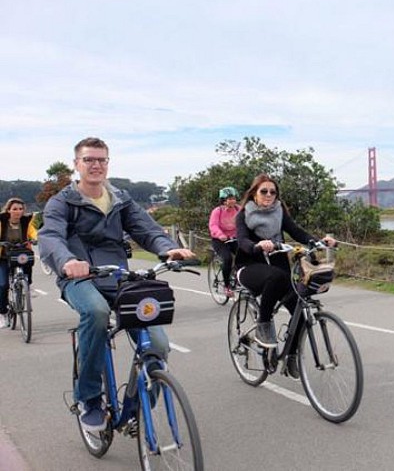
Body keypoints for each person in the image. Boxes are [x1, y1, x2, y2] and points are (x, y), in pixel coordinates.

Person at [38, 137, 195, 432]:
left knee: (158, 345)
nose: (96, 165)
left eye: (101, 159)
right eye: (89, 160)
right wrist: (67, 261)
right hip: (79, 276)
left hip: (118, 276)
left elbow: (146, 230)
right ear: (77, 164)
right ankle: (89, 400)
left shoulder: (121, 199)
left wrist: (167, 247)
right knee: (97, 313)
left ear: (108, 163)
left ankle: (137, 409)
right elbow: (51, 237)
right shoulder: (61, 202)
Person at [235, 173, 336, 379]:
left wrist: (319, 242)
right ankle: (263, 325)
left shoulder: (279, 212)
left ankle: (291, 356)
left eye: (273, 191)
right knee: (275, 276)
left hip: (279, 271)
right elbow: (242, 241)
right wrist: (257, 246)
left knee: (301, 308)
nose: (269, 195)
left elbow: (296, 231)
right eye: (264, 191)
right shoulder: (243, 214)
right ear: (254, 193)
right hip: (250, 266)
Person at [0, 198, 37, 328]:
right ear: (8, 210)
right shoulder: (2, 221)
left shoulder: (26, 221)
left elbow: (32, 232)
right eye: (15, 209)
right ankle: (3, 313)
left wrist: (34, 239)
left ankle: (28, 285)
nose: (18, 212)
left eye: (21, 209)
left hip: (20, 252)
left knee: (28, 261)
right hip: (3, 256)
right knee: (3, 284)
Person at [209, 186, 241, 297]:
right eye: (229, 198)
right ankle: (227, 286)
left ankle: (239, 279)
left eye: (234, 198)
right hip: (220, 240)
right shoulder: (217, 211)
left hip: (234, 238)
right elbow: (213, 226)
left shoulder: (239, 210)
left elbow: (244, 223)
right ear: (223, 200)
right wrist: (220, 235)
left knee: (244, 256)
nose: (232, 201)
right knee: (227, 258)